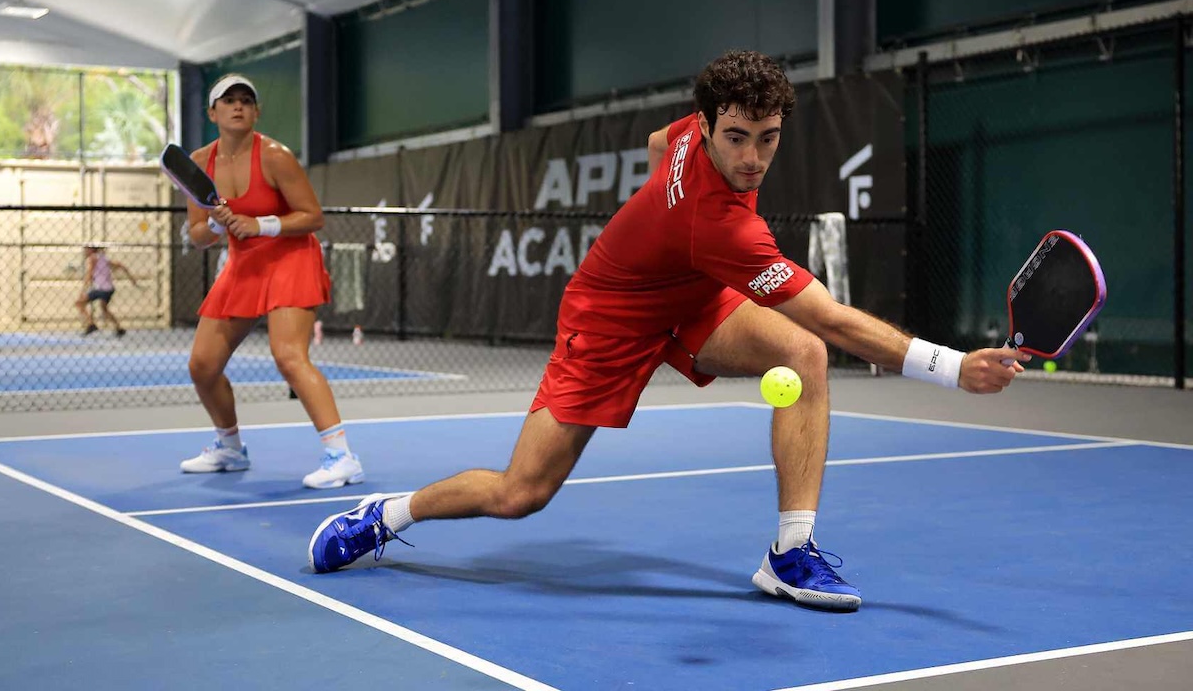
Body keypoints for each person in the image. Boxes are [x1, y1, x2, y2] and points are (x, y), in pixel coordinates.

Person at [306, 50, 1029, 610]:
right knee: (521, 494)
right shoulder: (720, 226)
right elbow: (836, 316)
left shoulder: (689, 132)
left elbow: (659, 143)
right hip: (610, 319)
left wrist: (658, 236)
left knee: (801, 355)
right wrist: (953, 367)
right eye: (737, 139)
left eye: (768, 139)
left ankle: (790, 551)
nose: (751, 158)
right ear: (710, 124)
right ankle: (384, 515)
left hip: (689, 293)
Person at [179, 74, 365, 490]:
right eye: (228, 101)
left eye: (247, 99)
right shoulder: (197, 163)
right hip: (244, 264)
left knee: (288, 356)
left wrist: (257, 224)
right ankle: (229, 448)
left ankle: (342, 457)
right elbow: (197, 236)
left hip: (291, 257)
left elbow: (312, 217)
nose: (238, 106)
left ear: (256, 111)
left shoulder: (276, 156)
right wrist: (213, 223)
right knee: (202, 365)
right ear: (213, 113)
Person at [76, 244, 137, 336]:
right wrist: (131, 278)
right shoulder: (103, 258)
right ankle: (119, 328)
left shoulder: (93, 258)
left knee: (79, 303)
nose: (85, 251)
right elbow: (120, 265)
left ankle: (91, 324)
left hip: (101, 289)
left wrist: (83, 290)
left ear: (91, 250)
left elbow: (89, 274)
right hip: (108, 289)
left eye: (86, 249)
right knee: (104, 309)